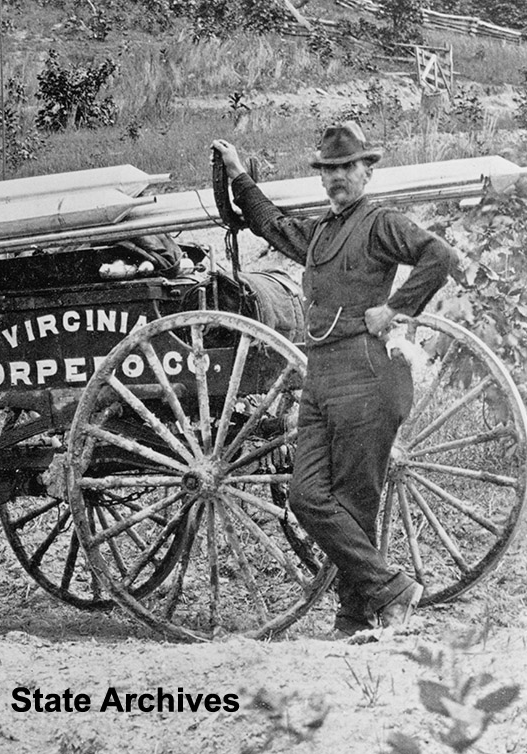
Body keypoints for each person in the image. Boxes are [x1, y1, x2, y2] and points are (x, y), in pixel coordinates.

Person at [211, 122, 458, 637]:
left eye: (348, 167)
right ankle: (389, 589)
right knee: (306, 495)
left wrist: (395, 308)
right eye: (330, 170)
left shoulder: (379, 222)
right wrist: (238, 177)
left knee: (355, 500)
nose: (338, 178)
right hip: (323, 376)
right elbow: (274, 225)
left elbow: (440, 257)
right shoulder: (323, 231)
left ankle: (354, 615)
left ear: (367, 170)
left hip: (368, 374)